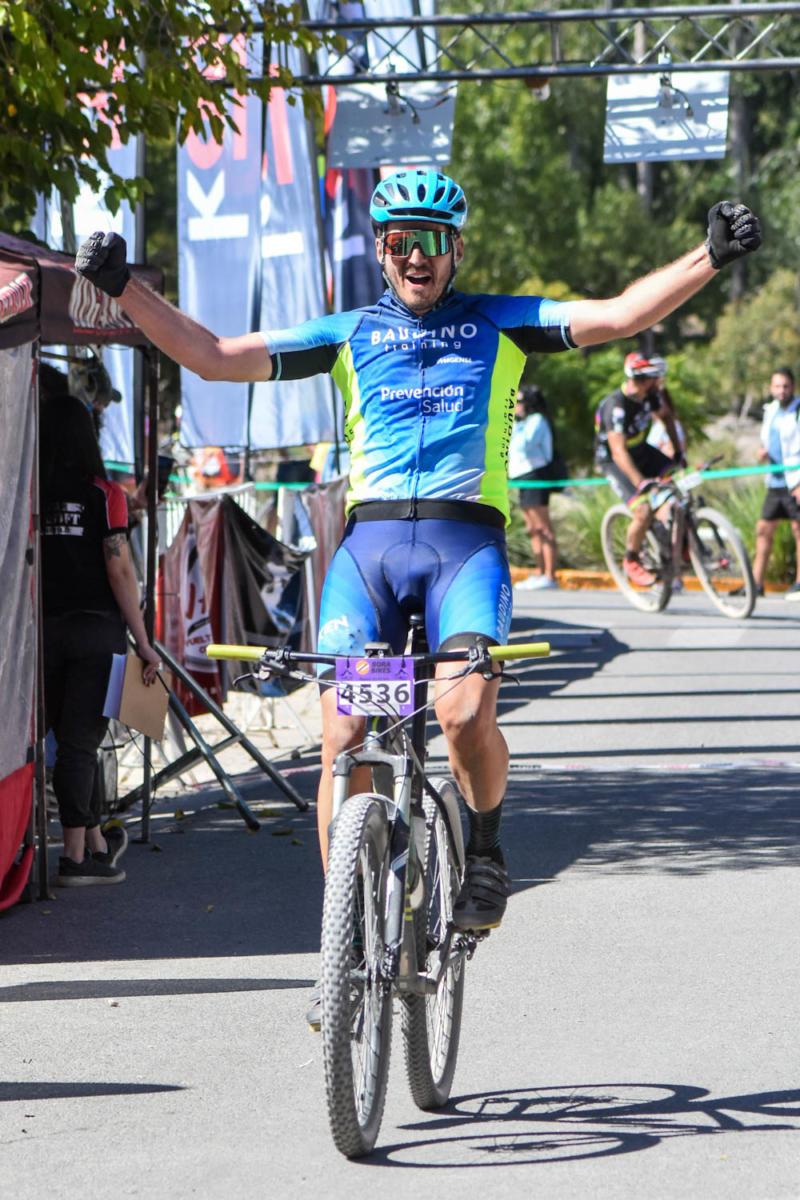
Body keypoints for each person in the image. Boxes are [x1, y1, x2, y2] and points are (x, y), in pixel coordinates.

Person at [75, 178, 760, 982]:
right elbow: (214, 358)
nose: (415, 257)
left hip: (463, 550)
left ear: (456, 249)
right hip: (368, 559)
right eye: (400, 241)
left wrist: (708, 256)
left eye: (432, 241)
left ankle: (487, 850)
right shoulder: (349, 333)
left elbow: (618, 315)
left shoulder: (501, 322)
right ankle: (345, 943)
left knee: (463, 714)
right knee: (343, 737)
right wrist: (123, 287)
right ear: (381, 249)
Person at [40, 394, 161, 886]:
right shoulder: (105, 494)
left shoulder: (29, 493)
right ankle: (73, 858)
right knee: (80, 743)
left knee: (65, 740)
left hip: (42, 632)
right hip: (96, 631)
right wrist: (143, 641)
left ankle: (93, 843)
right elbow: (119, 570)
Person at [594, 352, 685, 587]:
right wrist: (640, 482)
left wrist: (678, 453)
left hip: (641, 450)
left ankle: (682, 537)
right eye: (655, 378)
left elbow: (667, 419)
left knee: (681, 479)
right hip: (615, 460)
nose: (659, 383)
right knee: (642, 509)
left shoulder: (650, 396)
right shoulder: (616, 406)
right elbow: (618, 452)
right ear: (642, 380)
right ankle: (631, 559)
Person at [751, 367, 800, 600]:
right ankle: (755, 584)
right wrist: (762, 452)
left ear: (793, 387)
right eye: (777, 386)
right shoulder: (770, 410)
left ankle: (799, 583)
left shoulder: (798, 410)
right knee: (763, 529)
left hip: (795, 480)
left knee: (798, 530)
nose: (782, 391)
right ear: (771, 388)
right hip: (775, 480)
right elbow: (768, 440)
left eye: (786, 386)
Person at [508, 384, 560, 590]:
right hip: (521, 476)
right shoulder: (523, 422)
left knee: (543, 527)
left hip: (535, 474)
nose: (515, 405)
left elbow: (524, 445)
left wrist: (515, 423)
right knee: (532, 528)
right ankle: (540, 572)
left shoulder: (537, 420)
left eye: (519, 402)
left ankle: (550, 575)